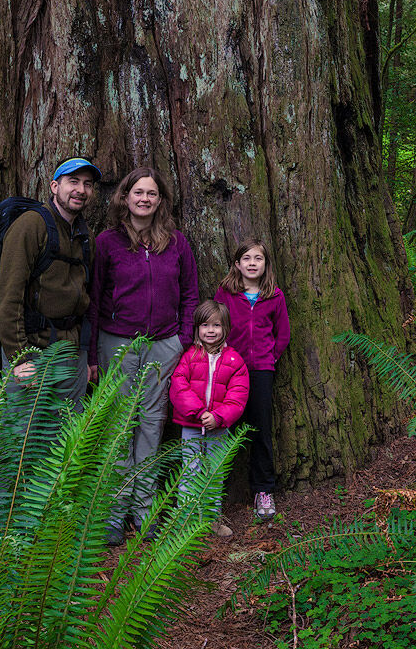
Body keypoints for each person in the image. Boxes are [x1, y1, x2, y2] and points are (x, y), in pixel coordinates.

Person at [87, 166, 200, 545]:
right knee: (120, 426)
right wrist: (91, 354)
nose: (144, 199)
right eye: (138, 192)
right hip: (116, 342)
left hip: (163, 344)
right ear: (125, 196)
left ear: (160, 200)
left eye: (152, 193)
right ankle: (115, 514)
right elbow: (94, 297)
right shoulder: (106, 242)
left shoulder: (176, 242)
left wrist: (181, 340)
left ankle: (145, 509)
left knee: (151, 425)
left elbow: (189, 294)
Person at [0, 156, 98, 405]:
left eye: (87, 184)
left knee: (66, 430)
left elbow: (85, 297)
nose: (80, 190)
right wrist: (20, 358)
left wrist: (83, 358)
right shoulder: (31, 226)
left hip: (71, 353)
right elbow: (8, 297)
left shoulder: (86, 236)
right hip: (32, 350)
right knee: (24, 432)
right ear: (54, 186)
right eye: (73, 181)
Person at [212, 238, 289, 520]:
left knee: (259, 430)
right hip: (230, 370)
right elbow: (217, 325)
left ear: (265, 264)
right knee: (223, 429)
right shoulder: (226, 292)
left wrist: (269, 358)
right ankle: (213, 494)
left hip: (261, 372)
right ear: (237, 264)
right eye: (246, 259)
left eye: (258, 259)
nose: (252, 263)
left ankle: (263, 491)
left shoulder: (274, 295)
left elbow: (283, 335)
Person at [168, 300, 250, 538]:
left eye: (216, 325)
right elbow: (179, 387)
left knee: (214, 473)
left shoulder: (235, 361)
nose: (211, 330)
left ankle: (212, 520)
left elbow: (238, 396)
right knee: (190, 472)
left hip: (219, 429)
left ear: (225, 328)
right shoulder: (189, 356)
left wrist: (218, 417)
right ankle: (185, 521)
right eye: (205, 325)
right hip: (191, 428)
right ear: (197, 328)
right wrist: (199, 413)